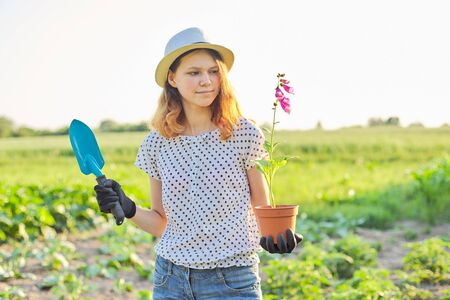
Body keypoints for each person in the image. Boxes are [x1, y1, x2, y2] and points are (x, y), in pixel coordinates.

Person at [94, 27, 303, 300]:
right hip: (170, 279)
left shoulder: (244, 134)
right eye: (194, 72)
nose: (206, 80)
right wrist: (129, 208)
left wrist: (276, 237)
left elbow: (263, 209)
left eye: (213, 71)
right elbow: (160, 224)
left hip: (232, 279)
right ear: (172, 78)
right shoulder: (157, 143)